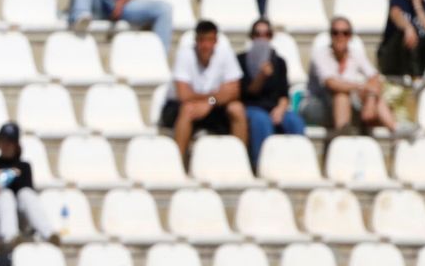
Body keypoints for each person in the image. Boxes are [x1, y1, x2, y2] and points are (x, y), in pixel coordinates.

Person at [161, 20, 245, 163]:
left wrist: (210, 102)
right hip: (179, 108)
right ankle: (178, 163)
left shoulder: (225, 54)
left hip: (211, 107)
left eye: (209, 40)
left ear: (215, 41)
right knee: (188, 109)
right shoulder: (184, 54)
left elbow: (234, 91)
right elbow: (183, 95)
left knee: (237, 109)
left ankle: (241, 161)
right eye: (202, 40)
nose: (205, 46)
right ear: (196, 41)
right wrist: (215, 96)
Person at [304, 16, 397, 134]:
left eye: (345, 33)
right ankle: (343, 139)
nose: (340, 37)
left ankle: (395, 131)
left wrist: (371, 99)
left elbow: (375, 77)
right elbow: (332, 84)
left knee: (373, 95)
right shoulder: (320, 55)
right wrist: (363, 87)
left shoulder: (356, 54)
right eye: (335, 32)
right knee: (341, 94)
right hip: (317, 105)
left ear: (350, 36)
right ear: (330, 35)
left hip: (347, 105)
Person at [0, 121, 56, 249]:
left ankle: (49, 235)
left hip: (18, 218)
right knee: (4, 195)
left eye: (10, 141)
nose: (6, 145)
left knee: (26, 193)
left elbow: (26, 197)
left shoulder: (24, 167)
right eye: (3, 140)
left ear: (16, 144)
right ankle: (9, 238)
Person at [239, 17, 305, 169]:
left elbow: (283, 93)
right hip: (252, 107)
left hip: (274, 107)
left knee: (294, 121)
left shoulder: (279, 62)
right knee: (261, 121)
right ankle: (261, 164)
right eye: (258, 34)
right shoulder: (242, 60)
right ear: (251, 36)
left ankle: (298, 163)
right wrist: (261, 77)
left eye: (266, 34)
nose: (262, 38)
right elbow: (246, 92)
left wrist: (280, 110)